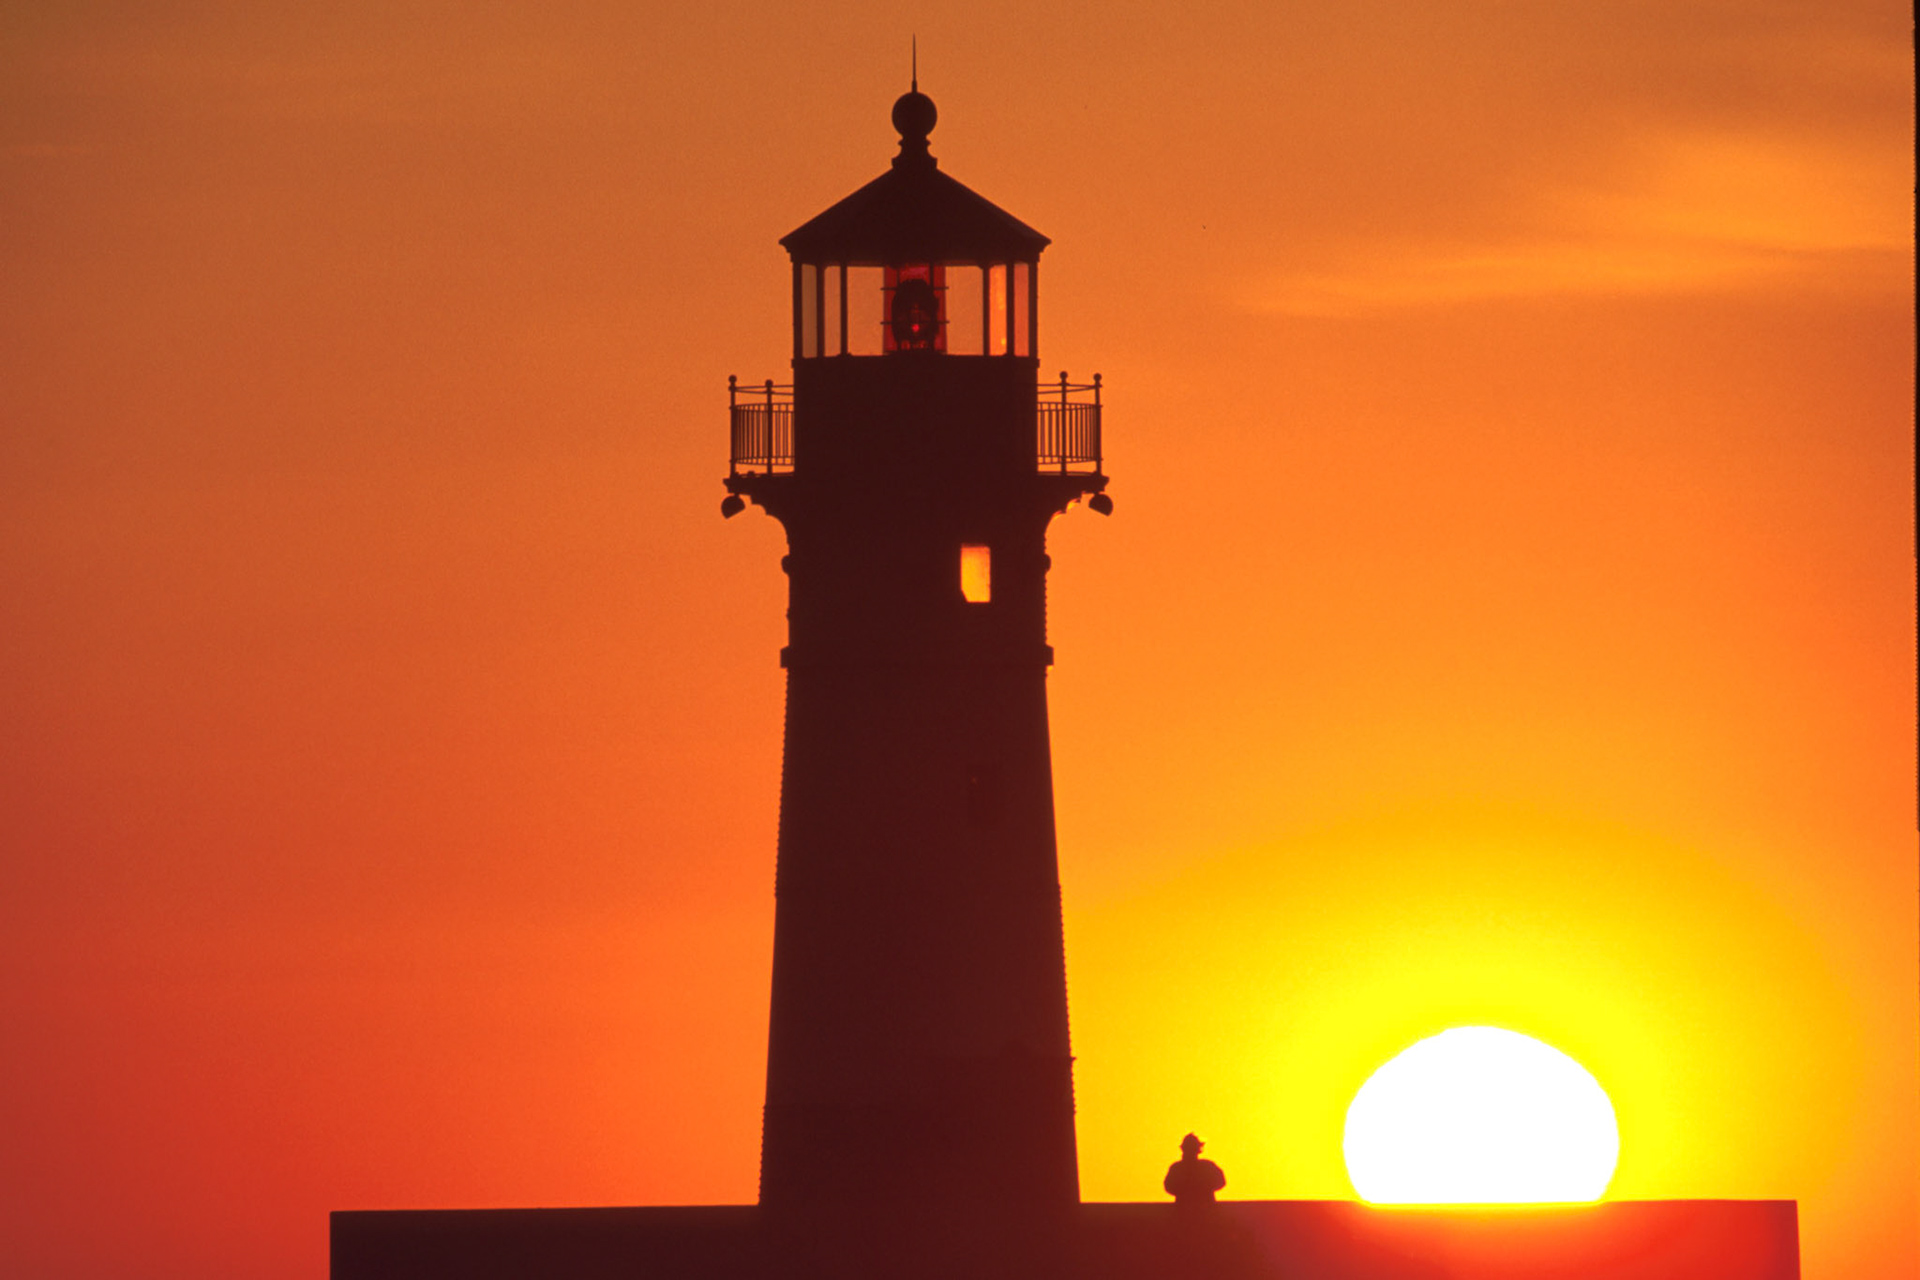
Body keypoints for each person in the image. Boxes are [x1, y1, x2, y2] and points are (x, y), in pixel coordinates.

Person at [1163, 1133, 1226, 1205]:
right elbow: (1168, 1186)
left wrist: (1203, 1188)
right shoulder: (1177, 1168)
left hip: (1201, 1208)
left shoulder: (1177, 1168)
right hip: (1189, 1208)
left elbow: (1221, 1181)